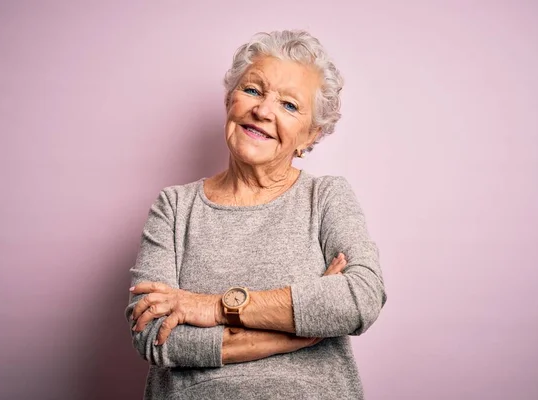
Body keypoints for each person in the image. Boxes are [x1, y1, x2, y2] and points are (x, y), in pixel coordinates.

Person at [125, 29, 387, 400]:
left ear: (311, 135)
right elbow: (152, 333)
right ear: (230, 99)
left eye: (289, 105)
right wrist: (298, 334)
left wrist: (213, 306)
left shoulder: (325, 197)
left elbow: (360, 298)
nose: (263, 111)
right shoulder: (174, 206)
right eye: (253, 90)